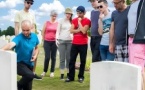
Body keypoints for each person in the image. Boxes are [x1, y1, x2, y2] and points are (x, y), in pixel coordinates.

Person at [0, 20, 39, 90]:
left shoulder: (34, 37)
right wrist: (1, 50)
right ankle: (17, 85)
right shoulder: (19, 38)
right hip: (19, 64)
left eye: (27, 30)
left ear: (31, 28)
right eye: (23, 30)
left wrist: (35, 55)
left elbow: (36, 48)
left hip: (30, 64)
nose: (25, 32)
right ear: (21, 28)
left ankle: (19, 86)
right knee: (30, 75)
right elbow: (10, 45)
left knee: (28, 88)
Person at [14, 0, 41, 80]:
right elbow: (16, 27)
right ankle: (25, 74)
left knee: (34, 56)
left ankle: (32, 73)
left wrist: (33, 38)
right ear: (24, 2)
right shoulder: (18, 13)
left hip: (30, 39)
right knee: (22, 59)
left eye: (31, 3)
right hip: (21, 39)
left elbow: (33, 27)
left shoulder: (32, 14)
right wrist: (16, 40)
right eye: (28, 2)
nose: (29, 4)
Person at [65, 6, 91, 83]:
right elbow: (71, 30)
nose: (79, 14)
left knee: (83, 61)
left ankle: (81, 76)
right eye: (77, 12)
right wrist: (78, 30)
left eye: (80, 13)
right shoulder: (74, 20)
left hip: (83, 43)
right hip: (75, 43)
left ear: (84, 13)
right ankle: (70, 77)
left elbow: (83, 31)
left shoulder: (87, 21)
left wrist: (79, 23)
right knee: (72, 60)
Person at [128, 0, 145, 89]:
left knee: (138, 70)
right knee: (136, 69)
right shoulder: (131, 5)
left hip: (139, 40)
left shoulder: (142, 2)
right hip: (131, 39)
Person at [56, 8, 73, 80]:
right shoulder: (61, 21)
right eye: (67, 13)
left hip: (70, 41)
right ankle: (62, 74)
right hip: (61, 41)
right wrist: (56, 39)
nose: (68, 15)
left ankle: (68, 74)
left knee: (68, 58)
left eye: (69, 14)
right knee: (62, 58)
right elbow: (57, 31)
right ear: (65, 14)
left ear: (71, 14)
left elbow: (73, 31)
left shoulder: (72, 21)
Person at [41, 10, 58, 77]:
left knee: (53, 57)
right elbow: (43, 31)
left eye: (55, 16)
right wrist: (43, 40)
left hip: (54, 42)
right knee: (47, 57)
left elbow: (58, 32)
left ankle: (52, 71)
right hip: (47, 41)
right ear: (50, 15)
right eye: (53, 16)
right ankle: (44, 71)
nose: (54, 17)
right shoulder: (46, 23)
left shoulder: (57, 23)